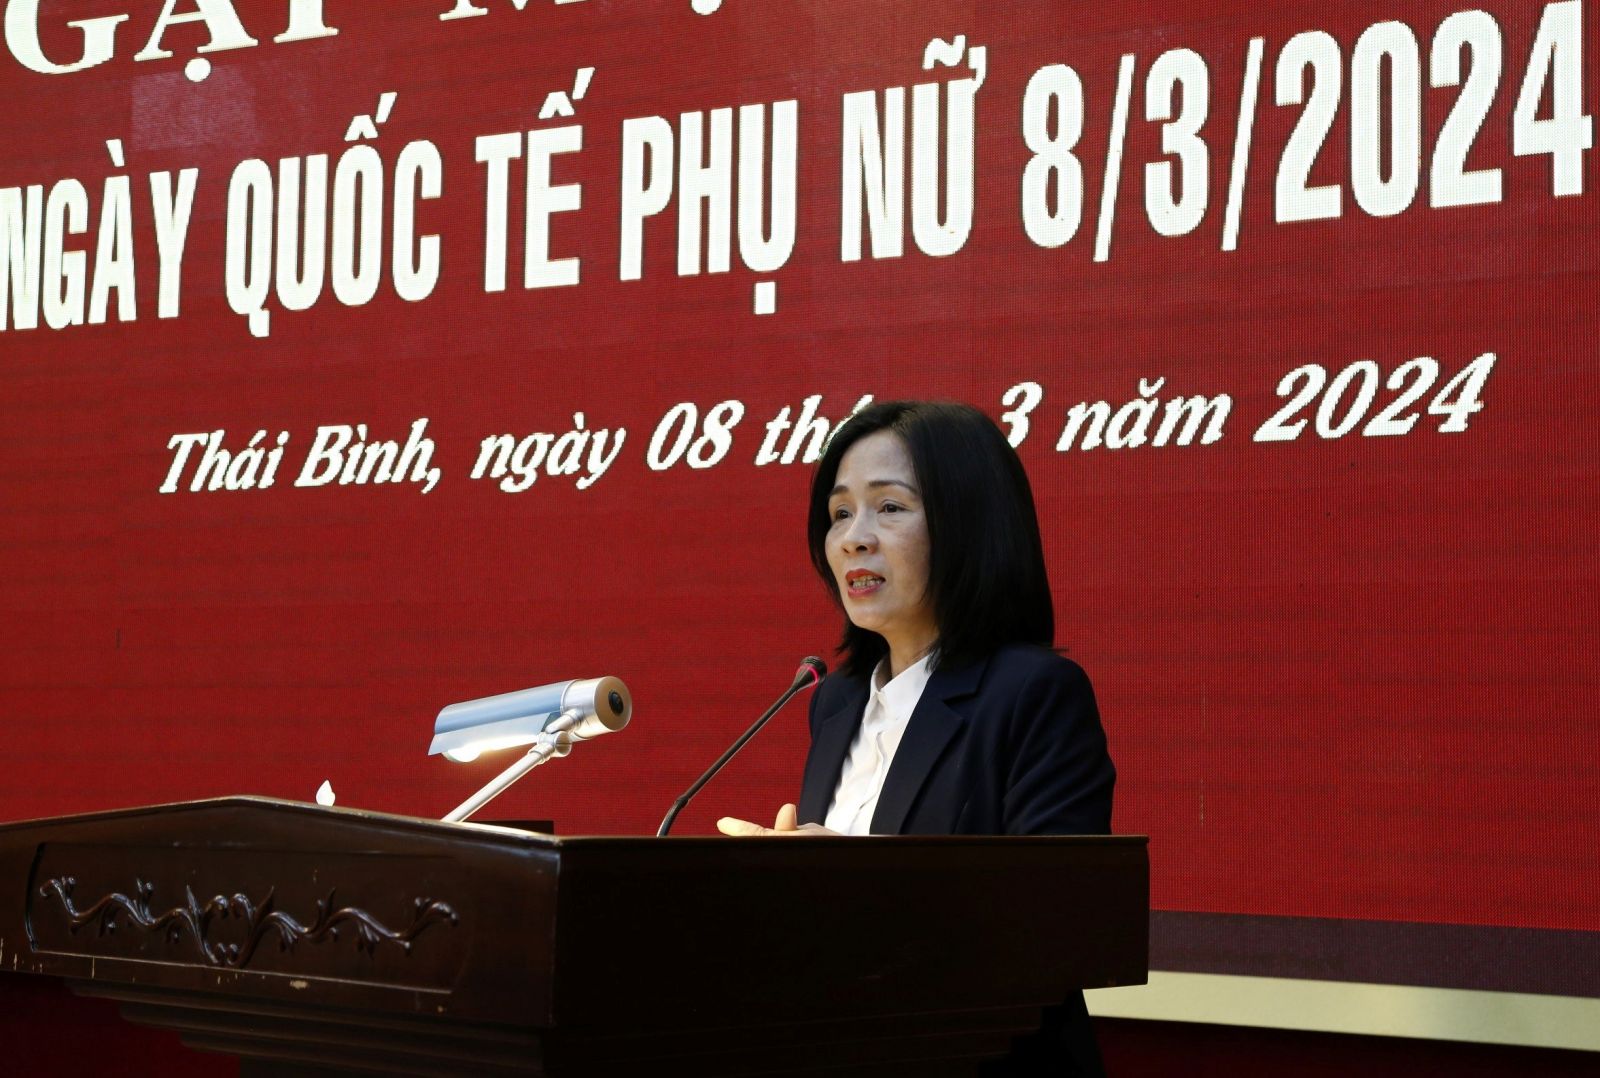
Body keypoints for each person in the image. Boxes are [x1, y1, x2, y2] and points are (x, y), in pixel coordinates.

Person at [718, 400, 1116, 1076]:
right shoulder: (836, 701)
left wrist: (857, 881)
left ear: (968, 523)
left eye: (889, 507)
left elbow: (1055, 928)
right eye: (839, 513)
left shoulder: (1034, 693)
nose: (853, 538)